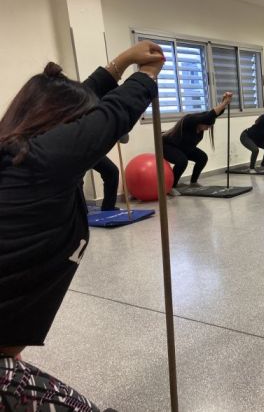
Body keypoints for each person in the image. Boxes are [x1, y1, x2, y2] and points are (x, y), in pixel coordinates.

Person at [0, 40, 164, 409]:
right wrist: (148, 76)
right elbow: (111, 115)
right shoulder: (39, 163)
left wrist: (120, 63)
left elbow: (78, 106)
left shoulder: (20, 153)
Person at [162, 92, 232, 193]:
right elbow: (209, 116)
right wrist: (224, 103)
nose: (208, 129)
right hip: (167, 146)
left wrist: (224, 102)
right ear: (201, 121)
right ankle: (171, 187)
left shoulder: (201, 127)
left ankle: (193, 182)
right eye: (207, 126)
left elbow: (212, 116)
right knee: (182, 161)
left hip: (184, 147)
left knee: (202, 157)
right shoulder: (189, 121)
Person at [91, 135, 128, 211]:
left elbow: (124, 140)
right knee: (76, 180)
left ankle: (108, 207)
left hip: (91, 150)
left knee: (112, 172)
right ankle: (78, 212)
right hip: (73, 149)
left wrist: (121, 126)